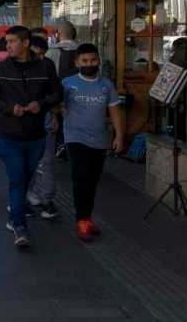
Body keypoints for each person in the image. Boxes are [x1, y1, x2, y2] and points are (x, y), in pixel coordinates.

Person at [0, 25, 62, 249]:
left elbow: (57, 93)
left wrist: (41, 104)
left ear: (26, 43)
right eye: (7, 42)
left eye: (12, 41)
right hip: (8, 134)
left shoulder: (45, 66)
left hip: (36, 135)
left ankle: (15, 214)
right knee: (17, 179)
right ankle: (19, 225)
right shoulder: (0, 69)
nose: (8, 46)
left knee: (25, 178)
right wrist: (9, 108)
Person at [62, 44, 124, 242]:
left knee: (92, 180)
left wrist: (119, 136)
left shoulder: (107, 85)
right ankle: (81, 220)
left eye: (93, 60)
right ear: (77, 63)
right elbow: (57, 105)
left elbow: (114, 111)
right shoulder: (67, 83)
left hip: (99, 139)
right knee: (81, 177)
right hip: (75, 138)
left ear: (98, 61)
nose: (89, 64)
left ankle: (87, 218)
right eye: (85, 61)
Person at [27, 36, 60, 219]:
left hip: (44, 119)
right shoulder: (14, 66)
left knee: (46, 161)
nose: (39, 57)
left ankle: (47, 199)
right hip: (22, 123)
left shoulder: (47, 65)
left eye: (42, 54)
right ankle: (24, 196)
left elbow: (54, 92)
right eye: (36, 53)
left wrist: (54, 113)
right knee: (25, 161)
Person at [45, 20, 80, 160]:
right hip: (82, 94)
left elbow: (47, 78)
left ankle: (62, 145)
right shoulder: (84, 50)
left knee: (59, 121)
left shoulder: (52, 52)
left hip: (60, 95)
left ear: (57, 34)